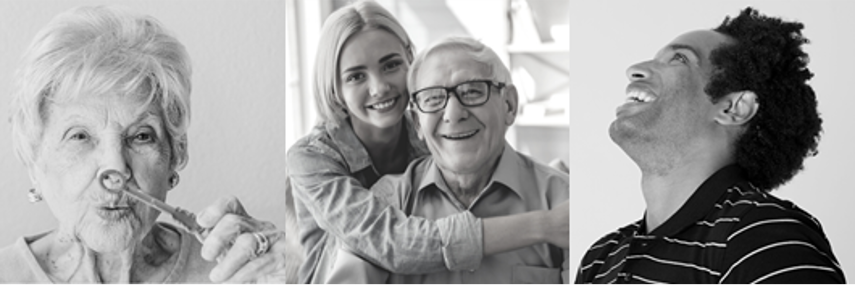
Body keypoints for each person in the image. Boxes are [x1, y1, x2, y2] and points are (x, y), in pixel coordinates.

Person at [286, 1, 569, 284]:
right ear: (334, 89)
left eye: (391, 65)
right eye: (356, 76)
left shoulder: (431, 132)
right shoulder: (312, 158)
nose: (379, 87)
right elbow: (392, 242)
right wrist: (543, 224)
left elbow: (488, 153)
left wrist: (551, 183)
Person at [0, 6, 286, 282]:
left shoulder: (237, 270)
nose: (116, 170)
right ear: (33, 159)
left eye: (141, 136)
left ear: (175, 154)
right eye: (80, 136)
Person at [576, 7, 845, 284]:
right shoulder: (601, 258)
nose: (635, 70)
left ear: (732, 108)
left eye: (679, 59)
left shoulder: (764, 238)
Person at [365, 36, 568, 284]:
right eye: (433, 98)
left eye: (472, 91)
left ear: (509, 105)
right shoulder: (387, 203)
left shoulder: (563, 201)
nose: (453, 114)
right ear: (417, 122)